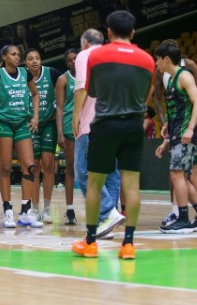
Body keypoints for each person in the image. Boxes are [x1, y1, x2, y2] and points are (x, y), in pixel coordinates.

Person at [71, 11, 154, 259]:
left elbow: (92, 90)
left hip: (106, 124)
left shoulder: (96, 55)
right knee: (131, 184)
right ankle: (128, 244)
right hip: (134, 125)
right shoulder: (147, 59)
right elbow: (146, 94)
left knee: (94, 183)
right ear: (133, 32)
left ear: (108, 32)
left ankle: (90, 241)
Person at [0, 44, 43, 228]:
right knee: (5, 168)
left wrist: (35, 116)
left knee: (30, 167)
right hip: (3, 124)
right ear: (4, 57)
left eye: (18, 54)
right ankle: (8, 211)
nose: (17, 57)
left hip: (21, 123)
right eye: (13, 54)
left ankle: (26, 212)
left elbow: (35, 94)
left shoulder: (25, 74)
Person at [154, 40, 197, 225]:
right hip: (176, 132)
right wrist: (168, 127)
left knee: (179, 174)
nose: (156, 63)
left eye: (157, 59)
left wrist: (191, 129)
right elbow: (179, 108)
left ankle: (185, 218)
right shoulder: (172, 79)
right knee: (181, 175)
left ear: (167, 59)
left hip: (185, 134)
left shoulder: (185, 75)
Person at [72, 28, 125, 238]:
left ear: (84, 43)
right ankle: (106, 222)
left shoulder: (85, 55)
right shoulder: (116, 55)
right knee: (111, 172)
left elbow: (82, 87)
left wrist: (75, 115)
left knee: (84, 170)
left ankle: (106, 212)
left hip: (92, 123)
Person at [24, 49, 61, 223]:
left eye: (37, 58)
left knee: (48, 165)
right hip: (30, 124)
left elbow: (65, 91)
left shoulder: (52, 74)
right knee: (34, 167)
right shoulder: (21, 76)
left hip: (48, 124)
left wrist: (59, 112)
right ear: (25, 62)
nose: (34, 61)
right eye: (30, 59)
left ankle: (47, 209)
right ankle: (34, 208)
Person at [55, 48, 79, 225]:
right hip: (70, 128)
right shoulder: (63, 80)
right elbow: (60, 107)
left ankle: (101, 209)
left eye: (75, 58)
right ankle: (70, 209)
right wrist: (60, 132)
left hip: (87, 127)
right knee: (70, 168)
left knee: (92, 170)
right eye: (70, 60)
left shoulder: (89, 76)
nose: (73, 62)